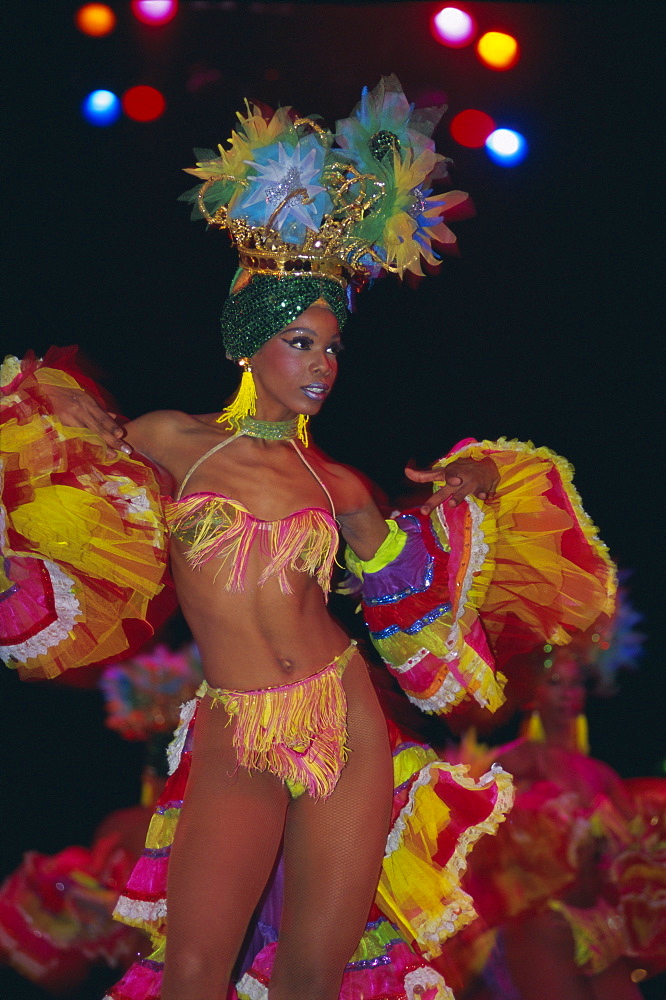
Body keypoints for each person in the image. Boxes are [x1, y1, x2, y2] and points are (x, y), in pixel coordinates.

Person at [1, 78, 616, 1000]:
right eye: (300, 343)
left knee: (313, 979)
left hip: (346, 721)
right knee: (196, 971)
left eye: (331, 348)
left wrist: (475, 485)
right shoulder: (173, 444)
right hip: (238, 729)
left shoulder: (342, 485)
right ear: (250, 345)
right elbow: (68, 492)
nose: (321, 366)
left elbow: (409, 616)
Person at [450, 644, 666, 1000]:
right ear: (532, 693)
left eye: (574, 683)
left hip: (599, 922)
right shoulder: (518, 762)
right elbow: (469, 832)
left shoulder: (600, 774)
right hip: (542, 923)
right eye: (554, 683)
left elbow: (639, 850)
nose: (568, 693)